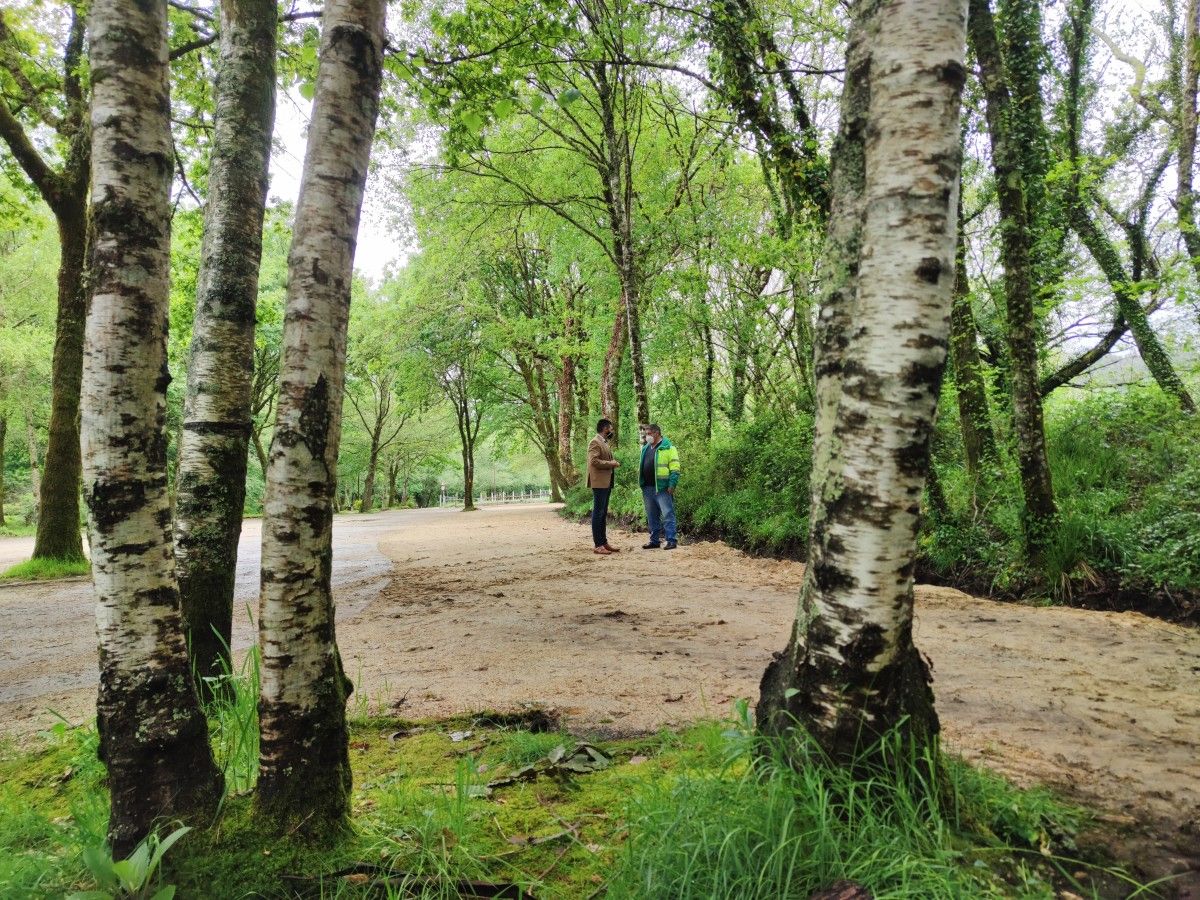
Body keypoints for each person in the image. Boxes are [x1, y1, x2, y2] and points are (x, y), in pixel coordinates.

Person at [638, 423, 680, 550]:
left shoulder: (669, 448)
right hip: (648, 488)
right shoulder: (646, 448)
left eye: (649, 434)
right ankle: (654, 540)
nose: (647, 436)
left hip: (662, 488)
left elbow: (675, 468)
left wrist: (672, 484)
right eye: (646, 434)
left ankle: (671, 540)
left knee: (668, 514)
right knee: (651, 515)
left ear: (657, 433)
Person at [586, 418, 621, 555]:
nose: (612, 431)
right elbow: (593, 461)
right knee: (598, 513)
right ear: (605, 429)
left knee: (603, 513)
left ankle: (604, 542)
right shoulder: (595, 442)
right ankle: (598, 544)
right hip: (599, 482)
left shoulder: (604, 442)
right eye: (611, 428)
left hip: (606, 482)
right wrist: (611, 463)